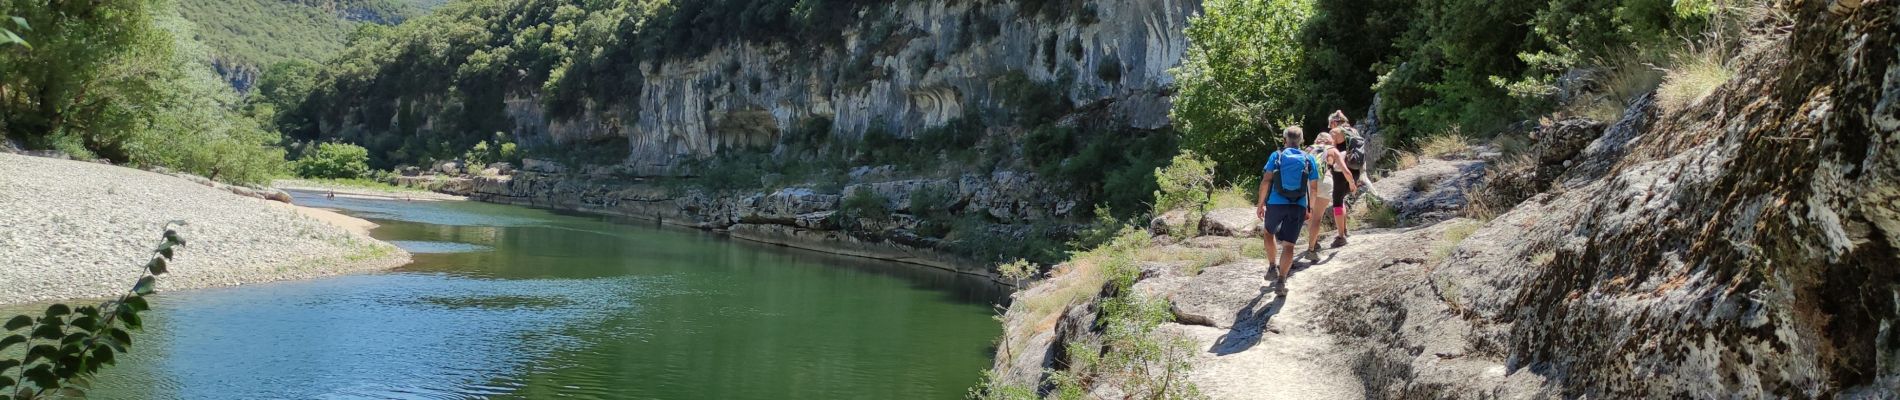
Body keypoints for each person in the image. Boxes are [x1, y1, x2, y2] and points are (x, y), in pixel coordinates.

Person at [1256, 126, 1320, 296]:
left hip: (1276, 203)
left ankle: (1272, 267)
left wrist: (1260, 203)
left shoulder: (1276, 155)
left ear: (1285, 140)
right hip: (1298, 206)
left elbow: (1266, 181)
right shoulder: (1309, 158)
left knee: (1269, 233)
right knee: (1289, 246)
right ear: (1301, 141)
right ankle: (1282, 280)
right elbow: (1313, 189)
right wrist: (1310, 208)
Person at [1299, 131, 1356, 262]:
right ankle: (1311, 249)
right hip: (1325, 181)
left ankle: (1314, 242)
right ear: (1330, 141)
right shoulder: (1332, 150)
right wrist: (1352, 183)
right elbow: (1345, 170)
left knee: (1309, 214)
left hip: (1308, 183)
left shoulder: (1308, 149)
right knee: (1318, 217)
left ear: (1317, 140)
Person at [1326, 111, 1365, 247]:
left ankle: (1341, 236)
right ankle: (1345, 229)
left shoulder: (1335, 132)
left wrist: (1327, 168)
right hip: (1355, 170)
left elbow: (1331, 153)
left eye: (1330, 124)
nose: (1329, 127)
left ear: (1334, 122)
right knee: (1341, 198)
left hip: (1341, 171)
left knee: (1337, 201)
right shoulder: (1354, 131)